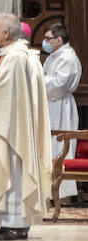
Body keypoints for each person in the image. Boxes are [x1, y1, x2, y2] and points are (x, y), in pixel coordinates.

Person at [0, 13, 53, 240]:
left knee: (12, 173)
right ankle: (6, 222)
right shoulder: (12, 55)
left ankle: (17, 225)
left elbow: (5, 95)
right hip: (6, 126)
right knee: (5, 172)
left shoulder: (16, 58)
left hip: (12, 130)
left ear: (6, 33)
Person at [42, 23, 80, 201]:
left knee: (60, 147)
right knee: (48, 147)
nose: (44, 42)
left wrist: (39, 80)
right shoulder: (52, 56)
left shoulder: (67, 57)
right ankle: (49, 191)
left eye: (48, 38)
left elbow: (57, 86)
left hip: (60, 106)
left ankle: (62, 195)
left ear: (59, 39)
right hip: (50, 105)